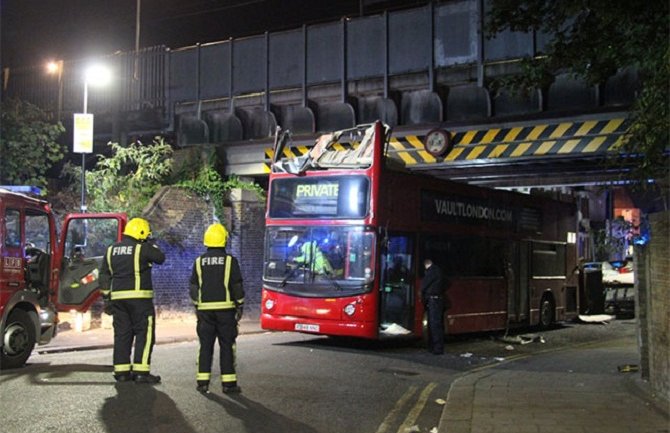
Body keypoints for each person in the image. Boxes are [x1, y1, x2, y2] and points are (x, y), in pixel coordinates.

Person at [99, 217, 165, 384]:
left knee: (122, 334)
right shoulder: (143, 248)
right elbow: (160, 258)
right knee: (144, 333)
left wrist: (107, 298)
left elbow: (104, 275)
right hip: (140, 299)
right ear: (142, 233)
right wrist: (150, 243)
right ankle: (141, 372)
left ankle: (121, 372)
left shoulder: (111, 250)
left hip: (118, 300)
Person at [190, 223, 245, 394]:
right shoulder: (230, 261)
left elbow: (193, 287)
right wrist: (240, 304)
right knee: (227, 346)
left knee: (205, 346)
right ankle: (228, 384)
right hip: (226, 311)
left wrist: (197, 305)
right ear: (224, 241)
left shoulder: (199, 262)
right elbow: (237, 286)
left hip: (205, 312)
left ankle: (202, 382)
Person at [421, 258, 445, 355]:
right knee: (434, 324)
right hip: (437, 299)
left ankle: (436, 348)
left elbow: (424, 284)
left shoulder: (432, 271)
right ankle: (435, 347)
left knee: (434, 324)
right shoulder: (438, 271)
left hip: (434, 300)